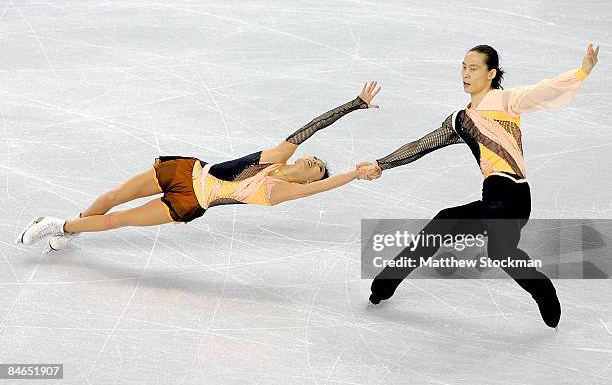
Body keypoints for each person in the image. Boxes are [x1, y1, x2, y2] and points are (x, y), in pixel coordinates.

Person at [357, 44, 599, 328]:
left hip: (513, 196)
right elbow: (421, 146)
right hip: (493, 199)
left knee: (466, 232)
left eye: (474, 68)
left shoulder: (506, 101)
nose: (466, 74)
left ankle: (543, 290)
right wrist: (381, 164)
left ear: (491, 73)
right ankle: (384, 286)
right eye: (463, 67)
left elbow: (543, 90)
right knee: (488, 245)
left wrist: (582, 72)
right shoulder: (461, 120)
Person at [16, 82, 382, 251]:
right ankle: (71, 230)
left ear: (309, 180)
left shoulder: (277, 192)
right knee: (113, 197)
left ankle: (57, 225)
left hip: (191, 203)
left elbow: (326, 187)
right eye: (315, 159)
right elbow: (312, 126)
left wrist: (354, 173)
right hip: (186, 172)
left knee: (120, 220)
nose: (314, 161)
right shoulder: (276, 156)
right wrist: (355, 104)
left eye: (318, 168)